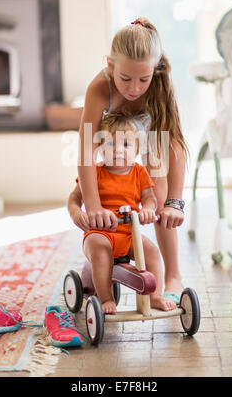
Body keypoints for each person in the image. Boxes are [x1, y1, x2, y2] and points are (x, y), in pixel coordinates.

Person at [77, 18, 188, 305]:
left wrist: (174, 202)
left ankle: (172, 274)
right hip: (114, 138)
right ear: (110, 64)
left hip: (153, 134)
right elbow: (86, 150)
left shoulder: (160, 84)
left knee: (159, 200)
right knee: (109, 197)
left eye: (144, 79)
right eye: (125, 78)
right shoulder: (99, 89)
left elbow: (173, 143)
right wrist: (94, 206)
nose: (135, 88)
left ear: (155, 70)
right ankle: (104, 261)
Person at [68, 112, 177, 314]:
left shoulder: (139, 172)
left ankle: (155, 296)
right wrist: (77, 215)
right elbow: (74, 199)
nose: (118, 150)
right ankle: (106, 298)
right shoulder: (95, 172)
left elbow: (149, 198)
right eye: (110, 144)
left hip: (128, 234)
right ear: (99, 148)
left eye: (125, 145)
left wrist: (148, 209)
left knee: (151, 252)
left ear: (136, 149)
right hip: (98, 234)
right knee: (101, 254)